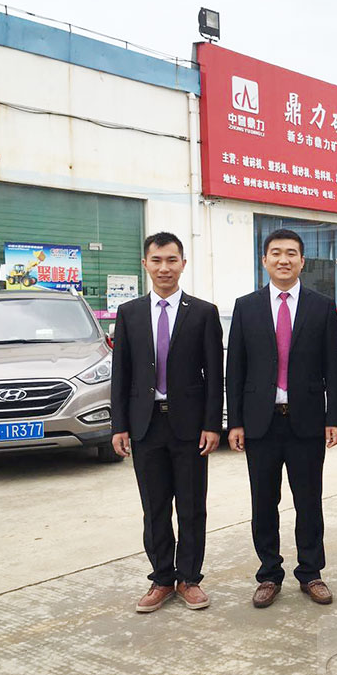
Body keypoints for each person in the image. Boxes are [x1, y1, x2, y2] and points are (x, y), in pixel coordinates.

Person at [226, 229, 337, 608]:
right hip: (261, 423)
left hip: (306, 421)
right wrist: (236, 422)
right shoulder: (246, 307)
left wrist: (334, 417)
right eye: (275, 253)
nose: (283, 259)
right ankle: (268, 574)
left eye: (291, 253)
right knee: (264, 502)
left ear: (302, 261)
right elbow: (235, 369)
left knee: (309, 501)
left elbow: (334, 367)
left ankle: (311, 572)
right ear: (264, 260)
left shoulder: (321, 307)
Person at [111, 232, 224, 613]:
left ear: (183, 264)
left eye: (171, 260)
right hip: (145, 425)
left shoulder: (203, 312)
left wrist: (212, 424)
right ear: (145, 264)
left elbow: (214, 375)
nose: (164, 268)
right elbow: (121, 373)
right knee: (155, 506)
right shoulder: (129, 313)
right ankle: (161, 578)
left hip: (190, 427)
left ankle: (189, 578)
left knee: (191, 506)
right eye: (157, 260)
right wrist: (119, 425)